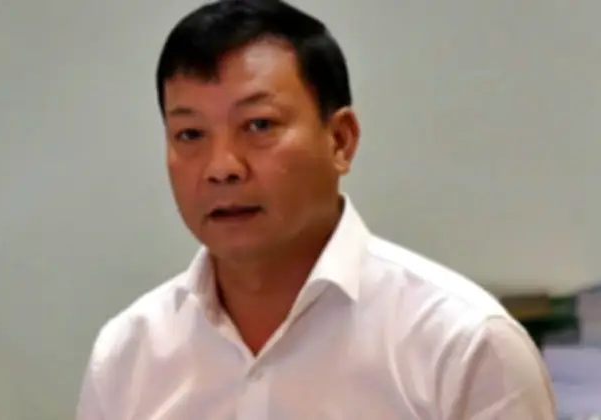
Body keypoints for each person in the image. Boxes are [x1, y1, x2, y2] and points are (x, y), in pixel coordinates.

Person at [76, 0, 556, 418]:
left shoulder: (464, 346)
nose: (221, 167)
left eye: (259, 125)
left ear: (340, 140)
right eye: (190, 134)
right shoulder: (127, 356)